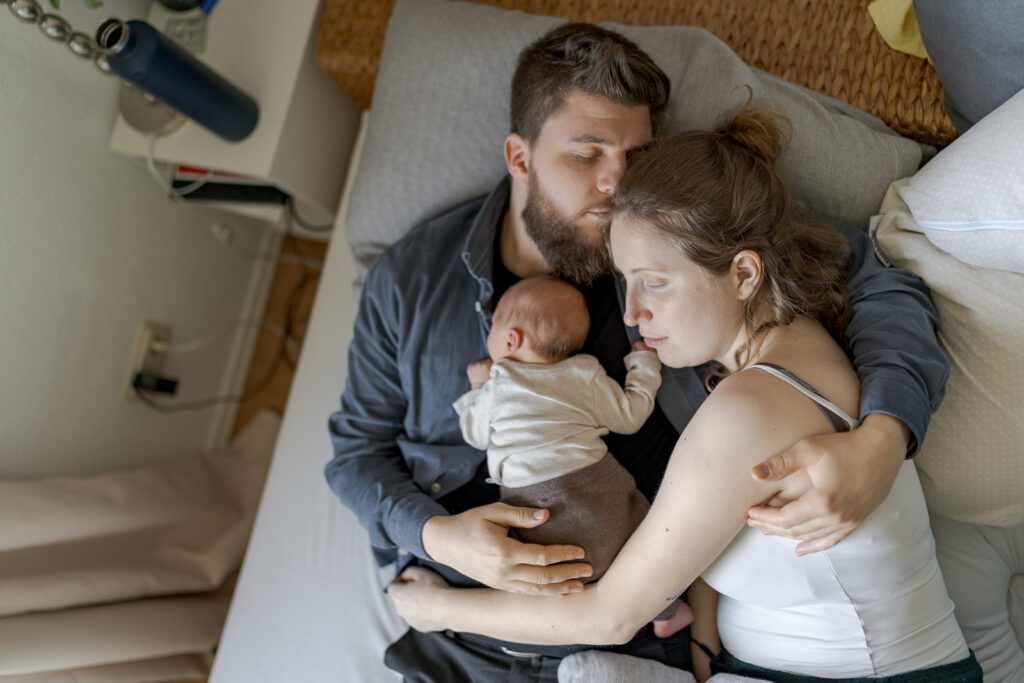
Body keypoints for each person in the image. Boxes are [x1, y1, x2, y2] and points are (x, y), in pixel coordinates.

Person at [326, 21, 949, 682]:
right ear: (520, 158)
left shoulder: (665, 238)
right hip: (460, 644)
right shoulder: (411, 281)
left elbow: (881, 285)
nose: (616, 184)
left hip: (640, 638)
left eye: (636, 155)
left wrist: (884, 438)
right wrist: (436, 537)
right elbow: (356, 453)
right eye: (586, 155)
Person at [454, 274, 692, 637]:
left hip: (540, 514)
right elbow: (630, 417)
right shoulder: (585, 372)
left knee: (546, 570)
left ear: (510, 339)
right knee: (642, 547)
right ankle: (666, 613)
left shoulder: (499, 383)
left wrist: (477, 387)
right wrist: (643, 366)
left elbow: (475, 435)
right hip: (602, 494)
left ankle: (576, 619)